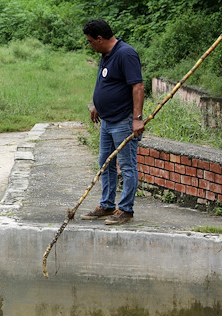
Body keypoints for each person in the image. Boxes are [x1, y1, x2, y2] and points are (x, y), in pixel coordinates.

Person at [80, 19, 145, 225]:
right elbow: (106, 81)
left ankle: (125, 209)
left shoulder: (126, 54)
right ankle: (107, 205)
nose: (90, 45)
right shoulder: (105, 54)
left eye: (90, 41)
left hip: (123, 121)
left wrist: (137, 119)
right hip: (107, 121)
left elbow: (138, 87)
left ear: (100, 38)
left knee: (126, 166)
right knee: (105, 163)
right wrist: (98, 105)